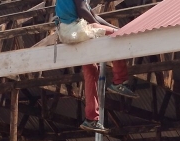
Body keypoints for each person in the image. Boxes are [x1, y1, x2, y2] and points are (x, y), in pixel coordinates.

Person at [55, 0, 139, 133]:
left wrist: (114, 28)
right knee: (116, 37)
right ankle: (119, 80)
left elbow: (93, 15)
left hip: (69, 33)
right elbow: (83, 11)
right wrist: (115, 31)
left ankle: (91, 119)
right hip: (76, 30)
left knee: (91, 69)